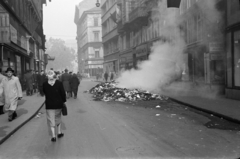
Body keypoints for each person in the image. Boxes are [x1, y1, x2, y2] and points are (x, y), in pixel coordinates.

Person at [43, 70, 66, 142]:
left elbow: (44, 92)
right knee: (58, 118)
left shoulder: (44, 84)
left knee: (51, 120)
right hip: (58, 104)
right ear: (54, 75)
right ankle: (59, 133)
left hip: (49, 105)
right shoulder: (59, 83)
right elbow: (63, 93)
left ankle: (53, 136)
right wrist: (63, 100)